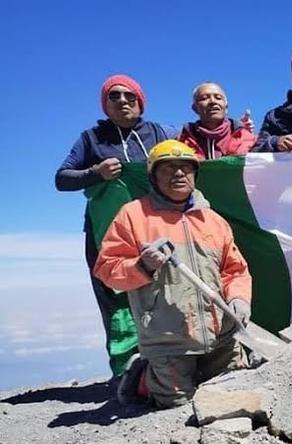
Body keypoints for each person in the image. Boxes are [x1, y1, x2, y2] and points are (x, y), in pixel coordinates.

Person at [93, 140, 252, 408]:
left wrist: (239, 298)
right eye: (168, 168)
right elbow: (107, 270)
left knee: (233, 398)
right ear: (153, 176)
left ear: (194, 174)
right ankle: (143, 379)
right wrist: (142, 267)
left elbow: (235, 270)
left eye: (185, 168)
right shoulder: (133, 215)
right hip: (167, 340)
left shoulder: (213, 221)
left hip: (220, 337)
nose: (178, 173)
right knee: (176, 407)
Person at [55, 74, 176, 378]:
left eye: (129, 96)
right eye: (114, 96)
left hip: (156, 230)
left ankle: (166, 365)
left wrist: (243, 132)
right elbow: (62, 179)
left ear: (140, 102)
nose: (122, 101)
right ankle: (126, 373)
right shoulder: (92, 138)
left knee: (165, 293)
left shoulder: (159, 133)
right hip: (105, 234)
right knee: (115, 295)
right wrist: (95, 172)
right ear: (105, 104)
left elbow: (192, 155)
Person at [179, 82, 256, 159]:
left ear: (226, 107)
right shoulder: (182, 141)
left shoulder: (249, 139)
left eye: (218, 98)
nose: (212, 101)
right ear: (195, 108)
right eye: (204, 98)